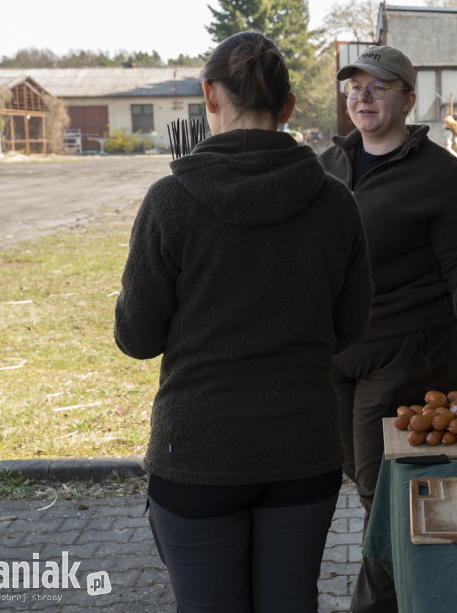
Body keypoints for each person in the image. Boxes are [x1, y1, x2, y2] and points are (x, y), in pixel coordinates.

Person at [114, 31, 373, 613]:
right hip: (303, 448)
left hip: (198, 452)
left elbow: (136, 337)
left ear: (209, 95)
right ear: (286, 107)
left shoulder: (170, 202)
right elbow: (352, 326)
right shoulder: (335, 203)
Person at [318, 45, 457, 613]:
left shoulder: (441, 175)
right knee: (355, 472)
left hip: (407, 345)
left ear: (408, 99)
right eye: (354, 87)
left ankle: (383, 605)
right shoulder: (328, 166)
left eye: (378, 87)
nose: (362, 97)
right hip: (336, 349)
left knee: (385, 491)